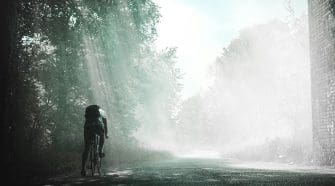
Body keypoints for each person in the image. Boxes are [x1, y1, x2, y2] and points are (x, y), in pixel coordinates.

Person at [81, 104, 108, 176]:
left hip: (88, 127)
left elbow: (85, 119)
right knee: (102, 135)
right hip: (97, 126)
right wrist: (106, 134)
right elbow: (105, 123)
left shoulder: (87, 111)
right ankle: (100, 150)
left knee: (86, 148)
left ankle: (83, 169)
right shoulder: (101, 111)